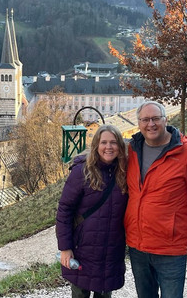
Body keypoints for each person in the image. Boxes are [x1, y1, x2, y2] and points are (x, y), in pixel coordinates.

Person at [125, 101, 187, 298]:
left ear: (166, 120)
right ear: (139, 123)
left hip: (170, 249)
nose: (151, 124)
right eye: (145, 120)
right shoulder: (132, 151)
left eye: (156, 118)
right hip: (137, 247)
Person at [56, 124, 128, 298]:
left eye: (113, 142)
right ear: (96, 145)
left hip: (111, 249)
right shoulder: (82, 171)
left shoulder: (125, 172)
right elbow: (65, 211)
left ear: (120, 145)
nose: (108, 147)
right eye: (104, 142)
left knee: (104, 293)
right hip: (84, 248)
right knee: (80, 292)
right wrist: (65, 248)